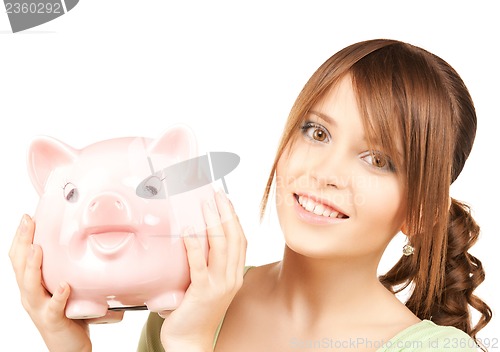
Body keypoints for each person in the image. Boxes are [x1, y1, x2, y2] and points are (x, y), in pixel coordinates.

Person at [10, 39, 491, 352]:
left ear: (421, 213)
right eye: (317, 132)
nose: (324, 171)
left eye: (377, 159)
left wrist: (195, 345)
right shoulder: (196, 298)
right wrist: (66, 344)